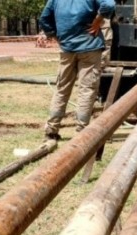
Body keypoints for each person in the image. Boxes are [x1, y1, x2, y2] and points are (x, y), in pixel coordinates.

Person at [38, 0, 116, 140]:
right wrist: (98, 20)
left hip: (67, 48)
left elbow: (44, 18)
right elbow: (109, 4)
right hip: (90, 47)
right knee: (86, 90)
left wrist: (55, 35)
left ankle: (51, 129)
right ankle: (82, 132)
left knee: (62, 89)